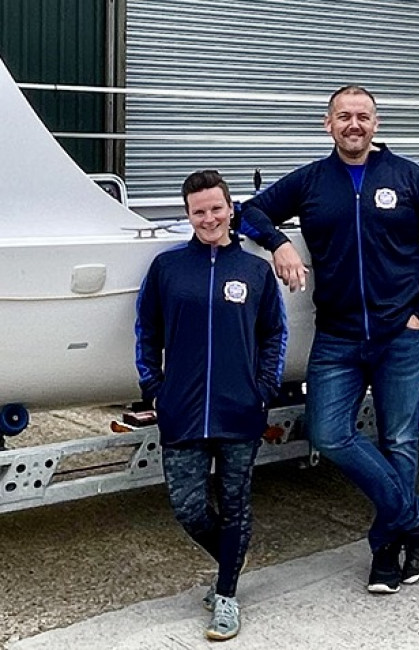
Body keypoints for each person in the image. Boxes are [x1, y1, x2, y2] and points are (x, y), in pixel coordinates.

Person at [238, 85, 419, 594]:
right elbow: (251, 211)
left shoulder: (407, 177)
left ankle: (386, 549)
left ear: (376, 124)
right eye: (343, 117)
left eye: (363, 116)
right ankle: (417, 514)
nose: (353, 125)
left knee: (399, 439)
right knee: (328, 433)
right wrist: (278, 245)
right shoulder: (313, 181)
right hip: (337, 334)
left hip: (401, 332)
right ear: (327, 124)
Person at [135, 170, 288, 640]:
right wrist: (155, 389)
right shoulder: (167, 269)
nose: (208, 218)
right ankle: (231, 563)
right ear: (188, 215)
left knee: (237, 504)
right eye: (198, 211)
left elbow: (274, 336)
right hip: (181, 410)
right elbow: (147, 332)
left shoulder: (256, 272)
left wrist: (264, 388)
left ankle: (226, 595)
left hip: (240, 410)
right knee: (188, 507)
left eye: (216, 209)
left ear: (230, 209)